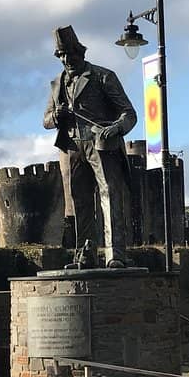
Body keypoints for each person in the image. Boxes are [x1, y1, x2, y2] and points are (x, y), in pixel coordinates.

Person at [43, 25, 137, 267]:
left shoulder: (103, 76)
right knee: (80, 200)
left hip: (101, 145)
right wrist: (57, 116)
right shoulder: (56, 84)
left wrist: (115, 128)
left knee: (109, 196)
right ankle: (85, 255)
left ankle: (115, 254)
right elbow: (45, 120)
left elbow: (129, 113)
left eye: (71, 54)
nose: (67, 60)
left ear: (81, 52)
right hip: (72, 147)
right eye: (62, 56)